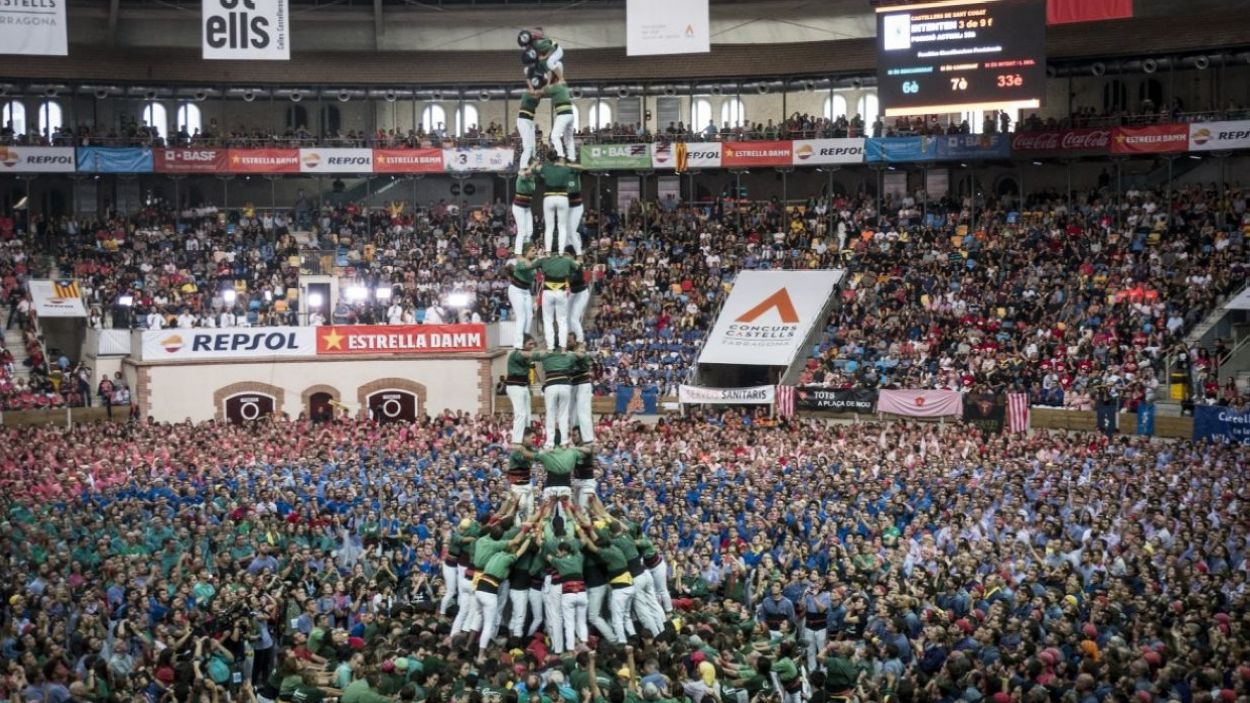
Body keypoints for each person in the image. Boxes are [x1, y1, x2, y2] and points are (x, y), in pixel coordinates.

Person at [532, 153, 575, 253]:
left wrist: (537, 166)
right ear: (558, 159)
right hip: (563, 197)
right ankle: (561, 251)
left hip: (549, 196)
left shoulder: (546, 168)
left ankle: (547, 251)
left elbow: (534, 171)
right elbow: (575, 170)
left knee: (549, 226)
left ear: (548, 158)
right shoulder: (565, 168)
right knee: (562, 226)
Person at [535, 249, 576, 351]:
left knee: (551, 320)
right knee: (560, 321)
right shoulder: (566, 266)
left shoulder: (551, 264)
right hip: (560, 292)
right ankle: (561, 347)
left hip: (556, 291)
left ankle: (552, 346)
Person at [504, 338, 536, 443]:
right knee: (520, 414)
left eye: (533, 344)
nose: (532, 346)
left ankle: (526, 437)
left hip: (523, 386)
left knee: (527, 414)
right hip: (515, 386)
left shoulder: (527, 356)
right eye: (530, 343)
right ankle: (517, 441)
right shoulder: (516, 354)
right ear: (522, 344)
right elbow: (524, 355)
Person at [506, 253, 536, 349]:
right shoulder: (518, 261)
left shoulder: (532, 260)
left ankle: (525, 339)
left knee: (530, 316)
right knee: (521, 317)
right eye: (532, 250)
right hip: (516, 289)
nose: (534, 252)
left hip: (526, 290)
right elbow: (507, 269)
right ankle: (518, 344)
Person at [568, 337, 595, 445]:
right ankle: (574, 436)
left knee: (584, 412)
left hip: (583, 384)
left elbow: (580, 355)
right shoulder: (570, 356)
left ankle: (588, 439)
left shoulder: (583, 355)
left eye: (582, 347)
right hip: (573, 384)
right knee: (572, 414)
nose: (582, 349)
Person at [566, 250, 590, 346]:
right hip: (573, 293)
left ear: (572, 256)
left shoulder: (577, 265)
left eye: (567, 256)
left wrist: (564, 276)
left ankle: (580, 341)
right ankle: (569, 338)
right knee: (566, 317)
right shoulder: (565, 267)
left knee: (574, 318)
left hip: (582, 293)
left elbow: (574, 278)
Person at [512, 169, 538, 253]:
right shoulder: (521, 177)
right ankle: (518, 252)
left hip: (527, 208)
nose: (533, 175)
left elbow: (532, 188)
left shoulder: (532, 181)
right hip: (518, 207)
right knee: (522, 231)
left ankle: (526, 250)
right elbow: (521, 174)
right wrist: (525, 172)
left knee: (529, 231)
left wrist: (531, 176)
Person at [567, 171, 584, 253]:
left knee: (572, 231)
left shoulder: (575, 174)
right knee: (567, 231)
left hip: (576, 207)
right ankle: (568, 250)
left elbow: (580, 168)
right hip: (567, 207)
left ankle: (578, 252)